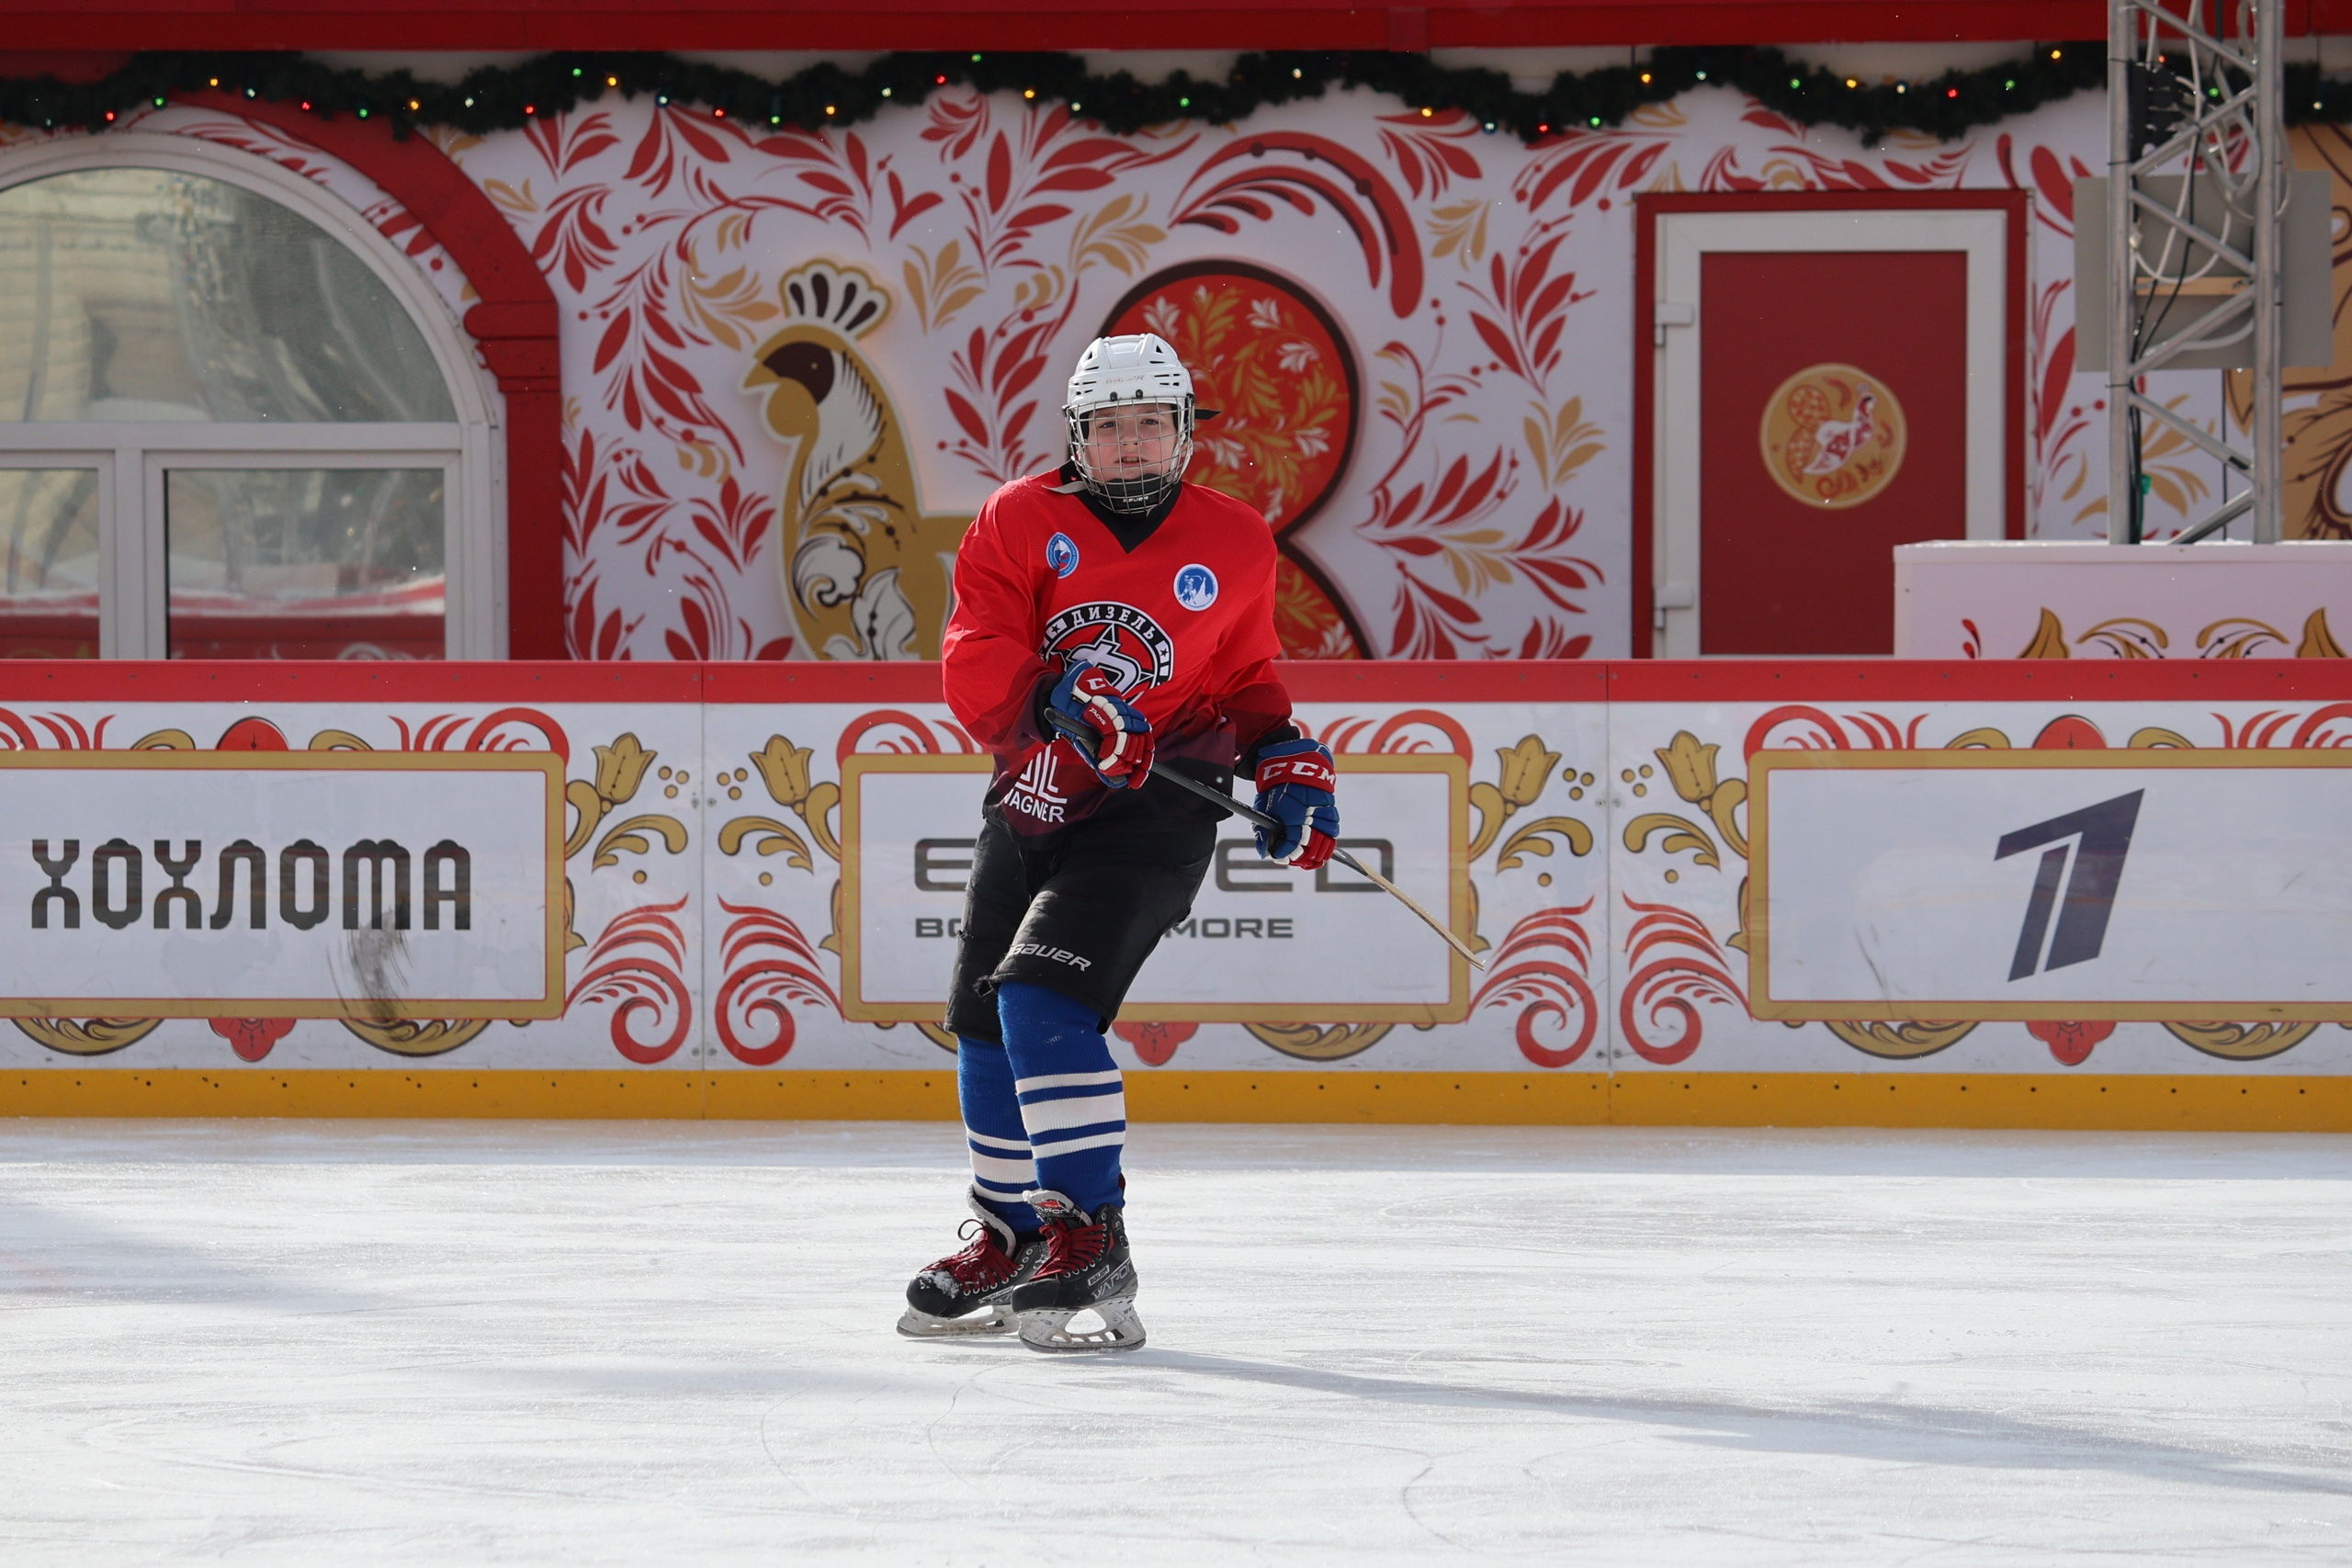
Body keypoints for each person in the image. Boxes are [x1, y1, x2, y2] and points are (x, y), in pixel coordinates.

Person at [897, 333, 1340, 1352]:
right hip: (1037, 792)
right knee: (982, 1022)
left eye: (1149, 424)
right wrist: (1046, 695)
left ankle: (1087, 1232)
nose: (1129, 445)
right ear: (1076, 437)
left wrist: (1283, 752)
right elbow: (975, 646)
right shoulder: (1017, 518)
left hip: (1158, 803)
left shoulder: (1235, 539)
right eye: (1108, 427)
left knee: (1042, 997)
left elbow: (1246, 676)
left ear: (1183, 433)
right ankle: (1007, 1237)